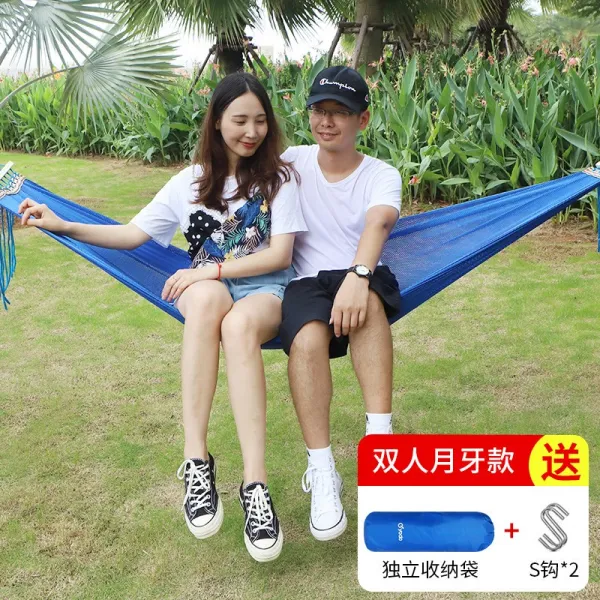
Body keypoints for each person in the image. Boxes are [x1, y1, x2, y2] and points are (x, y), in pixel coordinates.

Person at [17, 72, 307, 562]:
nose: (251, 131)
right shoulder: (188, 184)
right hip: (207, 289)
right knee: (208, 300)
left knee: (237, 322)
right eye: (240, 120)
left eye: (260, 120)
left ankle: (255, 485)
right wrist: (62, 223)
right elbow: (131, 236)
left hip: (264, 287)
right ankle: (196, 461)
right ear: (217, 122)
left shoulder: (279, 180)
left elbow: (280, 255)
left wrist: (212, 268)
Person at [280, 66, 402, 541]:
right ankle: (322, 470)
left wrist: (359, 274)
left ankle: (380, 447)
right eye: (318, 110)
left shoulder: (380, 174)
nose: (326, 121)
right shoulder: (291, 163)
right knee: (307, 340)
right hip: (307, 282)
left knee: (368, 303)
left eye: (340, 112)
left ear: (362, 120)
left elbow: (378, 224)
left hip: (361, 272)